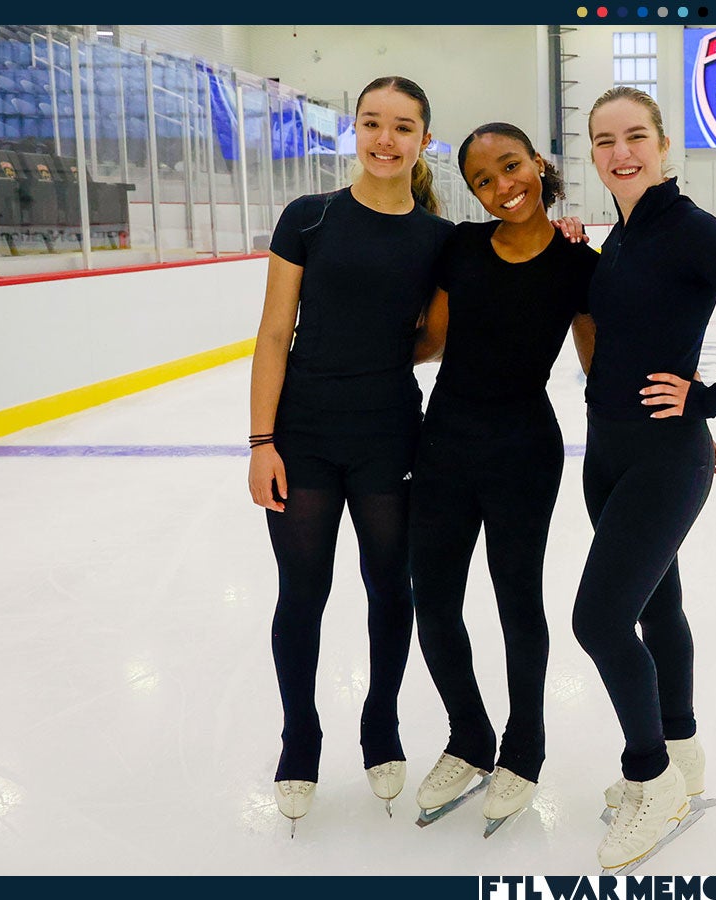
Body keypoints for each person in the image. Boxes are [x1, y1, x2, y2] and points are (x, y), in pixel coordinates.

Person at [574, 86, 716, 872]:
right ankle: (682, 755)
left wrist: (707, 403)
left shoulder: (692, 229)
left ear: (662, 144)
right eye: (605, 140)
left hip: (666, 458)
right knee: (654, 607)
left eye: (635, 136)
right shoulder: (620, 237)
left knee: (599, 622)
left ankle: (654, 781)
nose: (621, 152)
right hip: (607, 454)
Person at [247, 75, 452, 832]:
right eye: (371, 123)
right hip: (302, 434)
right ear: (355, 131)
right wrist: (261, 441)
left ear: (423, 140)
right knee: (302, 593)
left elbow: (433, 339)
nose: (385, 139)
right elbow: (275, 333)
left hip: (389, 435)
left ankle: (381, 724)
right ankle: (299, 738)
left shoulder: (437, 239)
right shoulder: (309, 217)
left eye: (402, 127)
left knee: (390, 589)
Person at [404, 122, 599, 836]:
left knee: (518, 601)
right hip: (445, 444)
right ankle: (469, 737)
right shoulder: (460, 246)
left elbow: (601, 369)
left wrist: (686, 419)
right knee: (434, 601)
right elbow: (430, 342)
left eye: (511, 166)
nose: (502, 187)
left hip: (523, 450)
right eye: (483, 180)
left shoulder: (580, 263)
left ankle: (525, 748)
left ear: (538, 163)